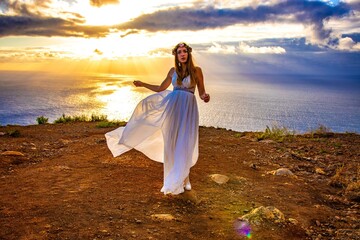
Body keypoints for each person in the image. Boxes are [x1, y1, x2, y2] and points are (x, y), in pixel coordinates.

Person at [105, 42, 210, 195]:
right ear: (176, 55)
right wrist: (143, 84)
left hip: (188, 109)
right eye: (179, 52)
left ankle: (186, 178)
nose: (182, 54)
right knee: (172, 143)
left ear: (188, 54)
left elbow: (201, 92)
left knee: (186, 142)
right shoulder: (172, 71)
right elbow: (161, 88)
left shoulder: (197, 71)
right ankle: (175, 178)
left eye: (184, 51)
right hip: (173, 109)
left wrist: (205, 97)